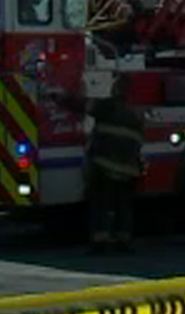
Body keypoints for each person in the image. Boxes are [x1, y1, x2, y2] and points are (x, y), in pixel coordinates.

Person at [51, 74, 146, 253]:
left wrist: (58, 97)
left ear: (116, 89)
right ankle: (123, 241)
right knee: (122, 207)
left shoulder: (107, 107)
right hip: (128, 170)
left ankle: (100, 242)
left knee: (100, 206)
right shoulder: (135, 115)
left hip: (105, 166)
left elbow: (82, 105)